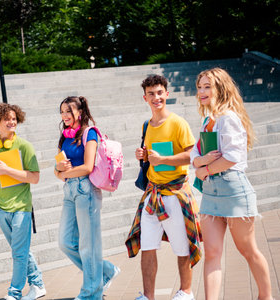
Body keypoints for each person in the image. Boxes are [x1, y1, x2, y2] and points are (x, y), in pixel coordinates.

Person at [191, 68, 273, 300]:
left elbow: (232, 157)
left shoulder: (228, 118)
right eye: (200, 87)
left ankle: (266, 297)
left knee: (248, 250)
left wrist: (203, 169)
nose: (202, 91)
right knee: (212, 252)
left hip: (234, 190)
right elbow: (195, 154)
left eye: (207, 86)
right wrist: (199, 163)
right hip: (210, 193)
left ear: (220, 88)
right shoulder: (209, 119)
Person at [125, 75, 202, 300]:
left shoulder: (178, 123)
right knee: (147, 247)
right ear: (145, 98)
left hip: (176, 194)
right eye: (151, 94)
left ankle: (186, 292)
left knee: (181, 247)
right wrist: (143, 156)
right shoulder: (146, 125)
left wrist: (164, 160)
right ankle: (148, 296)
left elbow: (192, 155)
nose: (156, 97)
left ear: (166, 94)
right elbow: (151, 158)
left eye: (160, 93)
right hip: (153, 194)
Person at [54, 96, 120, 300]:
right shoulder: (64, 136)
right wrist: (59, 170)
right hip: (69, 192)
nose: (65, 115)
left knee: (88, 245)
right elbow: (57, 171)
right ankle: (106, 271)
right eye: (62, 111)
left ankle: (91, 294)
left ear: (79, 112)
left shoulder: (89, 134)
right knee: (65, 242)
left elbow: (88, 167)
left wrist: (64, 172)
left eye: (69, 111)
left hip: (86, 191)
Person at [0, 103, 46, 300]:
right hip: (0, 208)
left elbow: (35, 178)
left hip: (21, 207)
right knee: (21, 250)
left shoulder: (25, 146)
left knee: (18, 253)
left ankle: (15, 292)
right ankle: (37, 283)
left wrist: (8, 171)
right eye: (7, 119)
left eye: (14, 118)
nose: (11, 122)